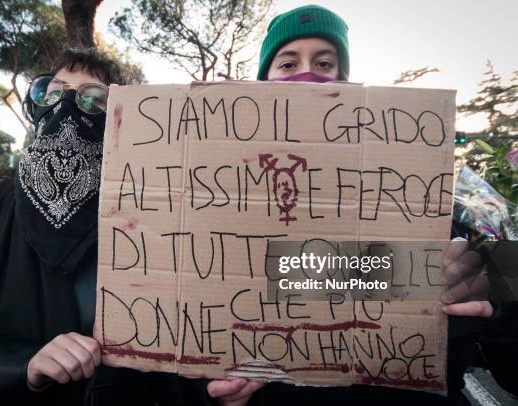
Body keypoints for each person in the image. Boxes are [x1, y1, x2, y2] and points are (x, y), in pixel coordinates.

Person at [205, 5, 517, 406]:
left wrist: (486, 288)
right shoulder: (219, 196)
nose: (307, 75)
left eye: (324, 62)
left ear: (346, 81)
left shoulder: (417, 185)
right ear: (264, 82)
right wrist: (220, 396)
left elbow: (507, 355)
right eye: (287, 63)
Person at [0, 48, 202, 406]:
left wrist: (216, 396)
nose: (66, 110)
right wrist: (18, 367)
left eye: (94, 101)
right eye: (53, 93)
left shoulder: (159, 222)